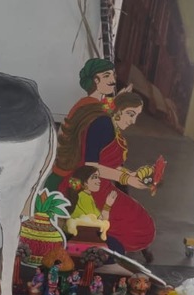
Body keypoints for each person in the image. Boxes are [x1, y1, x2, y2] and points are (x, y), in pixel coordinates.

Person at [55, 90, 156, 254]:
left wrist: (133, 175)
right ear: (118, 109)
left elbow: (109, 164)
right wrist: (126, 179)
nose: (133, 121)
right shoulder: (103, 125)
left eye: (136, 116)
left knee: (141, 224)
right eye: (130, 114)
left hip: (101, 185)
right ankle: (95, 247)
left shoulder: (112, 127)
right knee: (138, 227)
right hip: (86, 185)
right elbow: (91, 165)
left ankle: (98, 247)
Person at [46, 57, 118, 189]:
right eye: (107, 76)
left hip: (70, 171)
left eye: (113, 75)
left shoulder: (91, 103)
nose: (113, 80)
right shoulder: (90, 109)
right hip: (70, 178)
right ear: (96, 80)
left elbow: (107, 107)